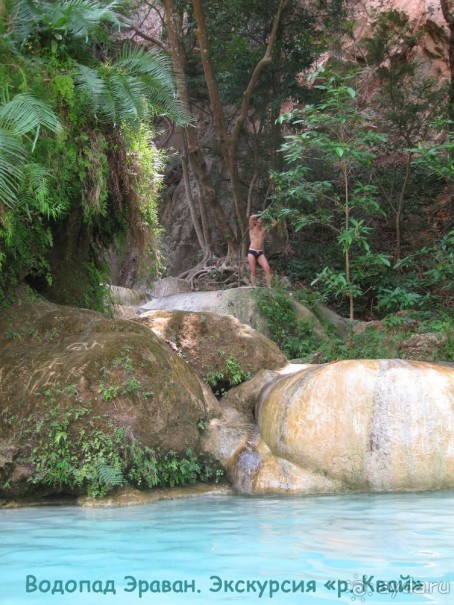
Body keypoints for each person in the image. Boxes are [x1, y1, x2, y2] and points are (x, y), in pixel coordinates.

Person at [247, 213, 277, 288]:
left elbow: (275, 223)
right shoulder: (252, 228)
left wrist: (268, 215)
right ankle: (254, 287)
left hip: (260, 252)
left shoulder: (264, 230)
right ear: (255, 222)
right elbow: (251, 217)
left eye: (261, 222)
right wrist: (262, 214)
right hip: (252, 251)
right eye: (258, 222)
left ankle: (269, 287)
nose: (259, 224)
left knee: (267, 268)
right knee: (253, 271)